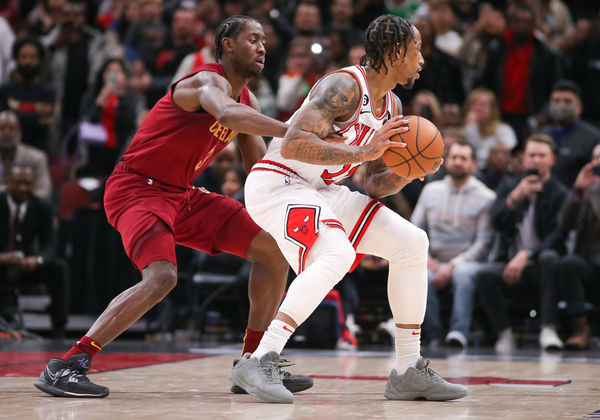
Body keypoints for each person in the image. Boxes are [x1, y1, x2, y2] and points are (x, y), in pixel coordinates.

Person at [34, 15, 328, 399]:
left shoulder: (249, 101)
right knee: (162, 277)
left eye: (264, 42)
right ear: (227, 44)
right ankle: (68, 364)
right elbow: (225, 114)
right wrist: (295, 130)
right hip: (136, 188)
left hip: (181, 194)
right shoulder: (206, 82)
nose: (262, 48)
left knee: (273, 250)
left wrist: (313, 178)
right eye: (253, 39)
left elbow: (257, 168)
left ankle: (253, 363)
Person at [230, 14, 467, 403]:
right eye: (417, 49)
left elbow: (373, 183)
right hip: (279, 182)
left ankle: (408, 369)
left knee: (412, 242)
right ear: (394, 52)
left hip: (322, 189)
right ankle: (260, 358)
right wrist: (363, 151)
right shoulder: (343, 85)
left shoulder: (392, 105)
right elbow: (292, 143)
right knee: (336, 253)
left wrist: (409, 170)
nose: (423, 58)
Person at [476, 134, 568, 353]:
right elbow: (496, 223)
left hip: (540, 265)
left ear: (552, 159)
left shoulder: (560, 193)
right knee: (484, 274)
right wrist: (514, 198)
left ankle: (548, 328)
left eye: (541, 155)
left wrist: (528, 253)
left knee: (550, 258)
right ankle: (504, 333)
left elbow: (558, 236)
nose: (536, 160)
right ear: (524, 159)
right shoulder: (510, 186)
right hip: (510, 264)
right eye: (532, 155)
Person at [412, 141, 496, 349]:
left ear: (474, 165)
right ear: (445, 162)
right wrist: (428, 258)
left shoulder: (486, 197)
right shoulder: (431, 191)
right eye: (454, 158)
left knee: (463, 274)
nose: (458, 162)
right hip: (434, 259)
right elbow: (416, 229)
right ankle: (432, 334)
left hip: (468, 261)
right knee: (418, 273)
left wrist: (453, 265)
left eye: (464, 158)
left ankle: (458, 332)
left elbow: (484, 243)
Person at [0, 165, 68, 337]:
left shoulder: (42, 206)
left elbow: (51, 244)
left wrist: (37, 260)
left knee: (59, 268)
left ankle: (59, 329)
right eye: (18, 183)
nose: (23, 188)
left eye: (28, 183)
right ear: (7, 182)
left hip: (25, 265)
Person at [555, 144, 600, 349]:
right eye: (596, 158)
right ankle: (580, 329)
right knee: (568, 263)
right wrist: (578, 191)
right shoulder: (587, 190)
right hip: (592, 264)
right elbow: (565, 225)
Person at [542, 79, 600, 188]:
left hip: (577, 199)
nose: (561, 105)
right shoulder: (542, 134)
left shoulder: (593, 138)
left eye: (567, 101)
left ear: (579, 107)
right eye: (556, 101)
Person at [0, 111, 52, 200]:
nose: (6, 133)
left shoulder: (37, 158)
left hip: (27, 209)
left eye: (11, 128)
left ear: (19, 130)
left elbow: (44, 190)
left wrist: (25, 206)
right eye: (2, 128)